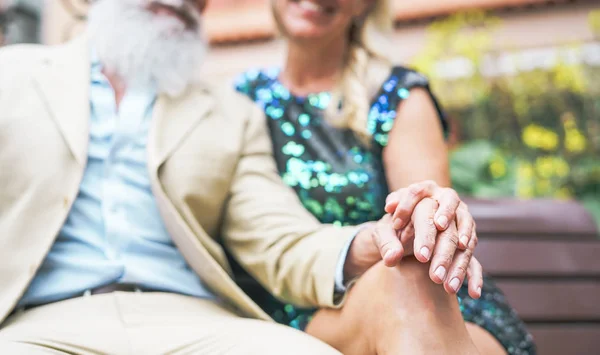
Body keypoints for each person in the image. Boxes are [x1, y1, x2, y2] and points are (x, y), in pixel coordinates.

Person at [0, 0, 486, 354]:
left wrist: (373, 239)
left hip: (193, 321)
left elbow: (280, 239)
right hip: (37, 321)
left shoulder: (232, 112)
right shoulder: (12, 75)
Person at [235, 0, 536, 354]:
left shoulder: (397, 94)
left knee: (409, 275)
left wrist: (429, 214)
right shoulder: (240, 102)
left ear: (364, 6)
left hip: (426, 292)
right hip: (305, 311)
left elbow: (424, 205)